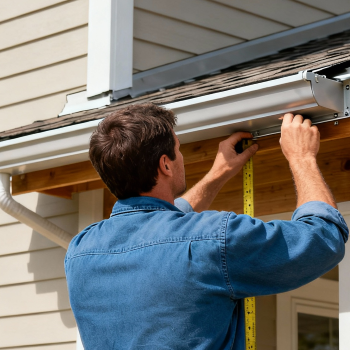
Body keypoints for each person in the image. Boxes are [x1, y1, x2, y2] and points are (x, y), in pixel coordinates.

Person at [65, 103, 348, 350]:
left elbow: (161, 232)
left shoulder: (79, 252)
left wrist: (218, 174)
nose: (182, 157)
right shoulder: (216, 239)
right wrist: (302, 157)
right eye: (178, 150)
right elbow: (323, 239)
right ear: (165, 165)